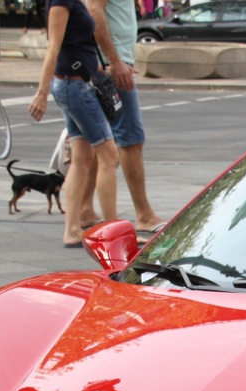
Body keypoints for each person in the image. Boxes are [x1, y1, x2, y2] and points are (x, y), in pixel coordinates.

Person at [28, 0, 120, 246]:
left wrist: (99, 68)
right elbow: (54, 47)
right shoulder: (62, 0)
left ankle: (72, 230)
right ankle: (114, 233)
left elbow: (74, 44)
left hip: (77, 83)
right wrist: (41, 93)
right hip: (75, 86)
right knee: (109, 157)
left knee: (82, 159)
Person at [83, 0, 163, 233]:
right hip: (114, 67)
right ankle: (144, 214)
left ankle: (85, 209)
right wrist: (116, 61)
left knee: (98, 141)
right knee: (131, 140)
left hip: (106, 64)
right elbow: (94, 11)